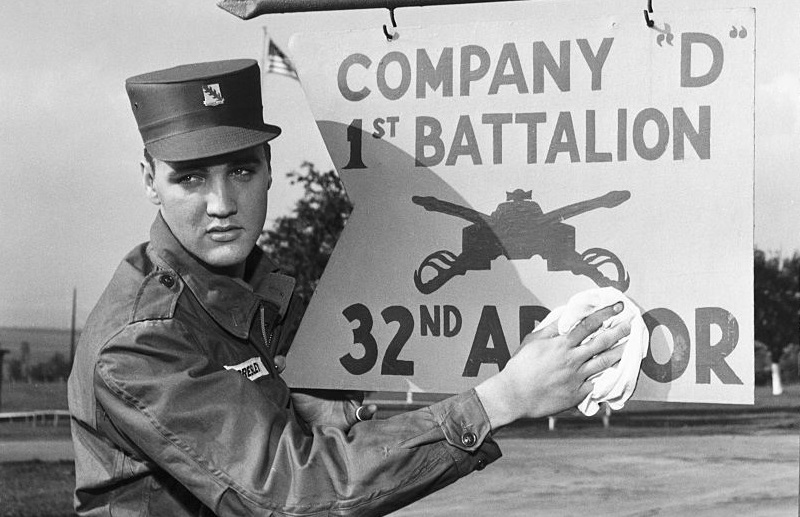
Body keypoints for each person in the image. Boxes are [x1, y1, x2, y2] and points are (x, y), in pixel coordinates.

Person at [67, 59, 631, 516]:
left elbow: (305, 433)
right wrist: (501, 400)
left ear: (268, 167)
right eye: (190, 178)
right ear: (149, 180)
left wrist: (337, 413)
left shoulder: (264, 292)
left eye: (240, 171)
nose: (221, 205)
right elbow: (286, 492)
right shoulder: (141, 340)